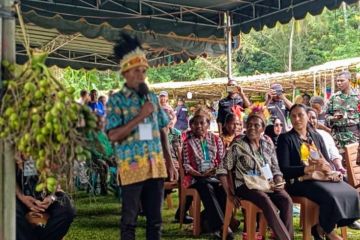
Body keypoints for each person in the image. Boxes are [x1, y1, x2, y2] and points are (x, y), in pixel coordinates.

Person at [106, 33, 177, 240]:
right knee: (129, 221)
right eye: (137, 71)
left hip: (156, 167)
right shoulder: (116, 101)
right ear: (126, 73)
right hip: (131, 168)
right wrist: (140, 116)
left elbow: (163, 129)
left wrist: (170, 162)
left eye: (144, 71)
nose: (141, 75)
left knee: (155, 221)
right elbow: (113, 135)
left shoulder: (152, 97)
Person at [277, 104, 360, 240]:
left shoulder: (316, 137)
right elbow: (284, 169)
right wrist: (306, 169)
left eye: (300, 115)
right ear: (290, 119)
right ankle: (328, 231)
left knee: (351, 192)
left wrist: (333, 172)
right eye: (293, 116)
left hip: (320, 178)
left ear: (307, 117)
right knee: (330, 196)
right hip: (298, 181)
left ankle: (321, 226)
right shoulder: (285, 138)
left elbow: (326, 161)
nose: (297, 119)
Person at [218, 110, 293, 240]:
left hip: (266, 183)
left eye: (256, 125)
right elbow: (222, 170)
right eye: (249, 125)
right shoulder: (238, 145)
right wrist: (229, 194)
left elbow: (275, 168)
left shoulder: (267, 143)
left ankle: (283, 236)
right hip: (245, 185)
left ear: (263, 128)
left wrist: (278, 181)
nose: (252, 128)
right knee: (264, 199)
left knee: (286, 199)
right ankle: (285, 238)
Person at [182, 108, 230, 239]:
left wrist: (215, 171)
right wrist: (199, 174)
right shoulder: (187, 142)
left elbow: (223, 160)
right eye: (195, 123)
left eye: (202, 123)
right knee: (205, 185)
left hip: (214, 176)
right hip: (196, 179)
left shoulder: (216, 140)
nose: (198, 126)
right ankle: (222, 226)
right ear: (191, 125)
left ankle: (210, 224)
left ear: (208, 125)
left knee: (223, 189)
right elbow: (186, 164)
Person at [16, 154, 75, 240]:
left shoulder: (46, 148)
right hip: (19, 197)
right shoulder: (10, 151)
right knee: (14, 214)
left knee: (67, 209)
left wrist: (51, 197)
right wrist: (21, 197)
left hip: (45, 196)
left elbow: (56, 181)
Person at [325, 71, 360, 162]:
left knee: (354, 164)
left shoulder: (357, 97)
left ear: (349, 80)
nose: (339, 83)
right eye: (337, 81)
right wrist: (332, 118)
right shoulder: (333, 98)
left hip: (354, 136)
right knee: (340, 163)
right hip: (337, 137)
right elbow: (326, 115)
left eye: (342, 80)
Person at [307, 108, 346, 174]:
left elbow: (334, 153)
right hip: (313, 173)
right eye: (308, 118)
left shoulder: (324, 134)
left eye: (313, 118)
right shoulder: (302, 138)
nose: (311, 120)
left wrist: (339, 167)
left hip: (331, 172)